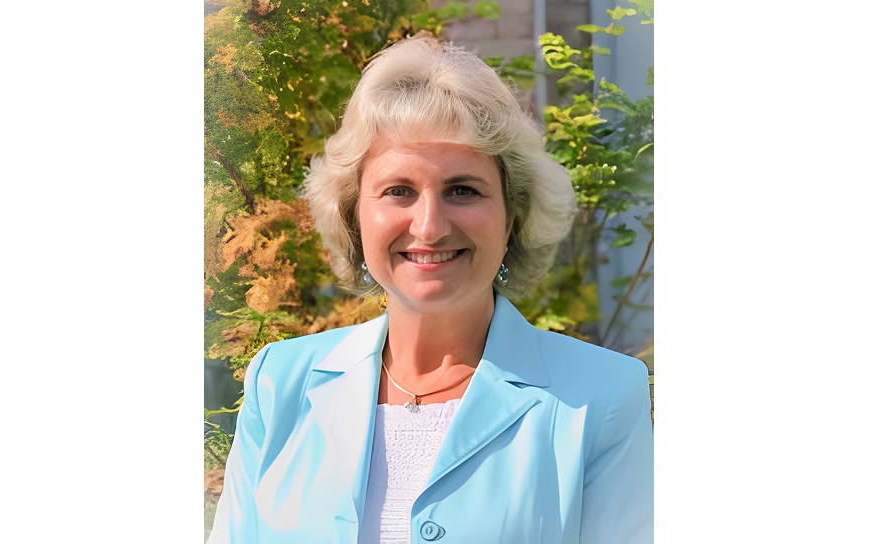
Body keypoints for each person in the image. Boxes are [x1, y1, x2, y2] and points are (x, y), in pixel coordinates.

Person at [208, 32, 653, 543]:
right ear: (354, 218)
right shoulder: (279, 383)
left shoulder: (599, 396)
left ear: (514, 216)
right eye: (398, 191)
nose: (429, 225)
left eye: (462, 190)